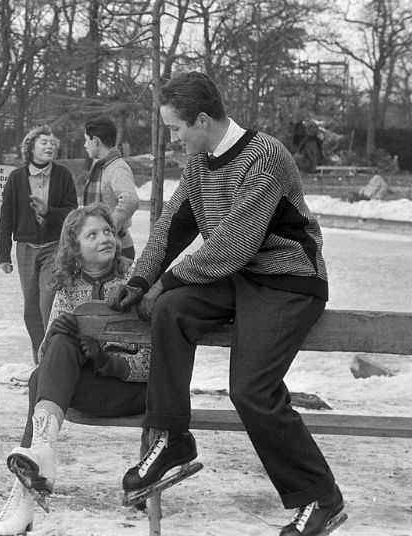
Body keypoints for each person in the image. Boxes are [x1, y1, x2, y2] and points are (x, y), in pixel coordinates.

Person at [106, 72, 343, 536]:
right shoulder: (200, 162)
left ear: (201, 119)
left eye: (176, 129)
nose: (174, 139)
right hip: (241, 277)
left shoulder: (265, 156)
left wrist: (166, 281)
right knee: (172, 311)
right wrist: (140, 279)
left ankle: (321, 497)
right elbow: (172, 226)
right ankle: (172, 438)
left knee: (251, 390)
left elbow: (233, 245)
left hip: (289, 280)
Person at [0, 204, 151, 535]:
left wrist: (107, 361)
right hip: (84, 389)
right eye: (92, 234)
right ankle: (35, 468)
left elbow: (152, 363)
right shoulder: (67, 286)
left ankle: (26, 492)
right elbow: (48, 359)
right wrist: (56, 336)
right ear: (74, 246)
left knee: (38, 382)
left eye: (107, 231)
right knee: (54, 352)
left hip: (129, 391)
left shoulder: (135, 282)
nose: (104, 238)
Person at [0, 125, 77, 382]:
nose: (50, 146)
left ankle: (52, 363)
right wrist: (3, 254)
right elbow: (6, 216)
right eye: (44, 142)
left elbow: (72, 213)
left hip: (54, 247)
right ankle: (40, 362)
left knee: (48, 305)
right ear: (30, 146)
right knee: (31, 308)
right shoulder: (17, 178)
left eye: (53, 142)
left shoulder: (64, 176)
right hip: (25, 249)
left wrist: (48, 212)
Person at [82, 117, 140, 259]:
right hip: (105, 246)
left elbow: (130, 200)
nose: (84, 145)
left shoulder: (117, 167)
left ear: (95, 140)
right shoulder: (103, 167)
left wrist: (108, 229)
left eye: (86, 140)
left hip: (117, 248)